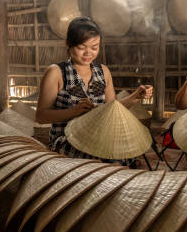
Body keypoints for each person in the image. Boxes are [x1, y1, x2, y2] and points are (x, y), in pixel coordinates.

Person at [35, 17, 153, 158]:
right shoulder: (56, 73)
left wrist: (136, 96)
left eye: (94, 47)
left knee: (124, 154)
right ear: (68, 43)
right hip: (66, 140)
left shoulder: (103, 72)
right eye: (81, 47)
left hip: (97, 139)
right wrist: (74, 111)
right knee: (103, 160)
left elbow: (111, 109)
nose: (88, 53)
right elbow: (41, 116)